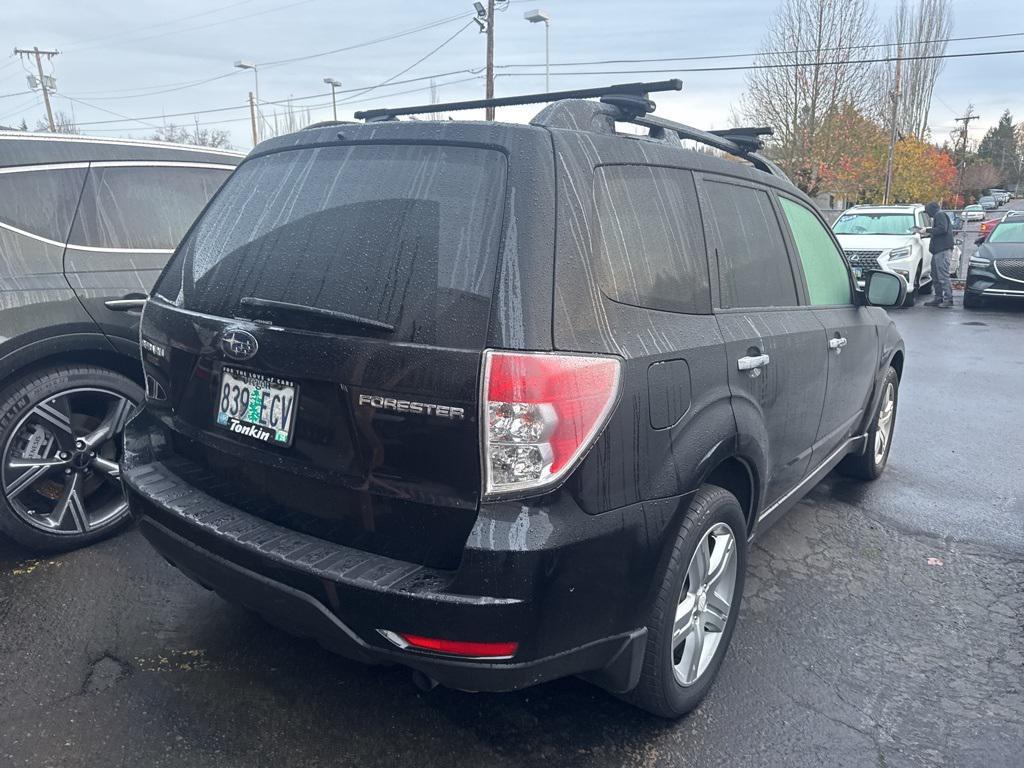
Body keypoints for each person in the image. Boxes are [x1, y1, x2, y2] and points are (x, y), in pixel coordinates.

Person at [923, 202, 954, 307]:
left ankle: (948, 299)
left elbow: (942, 229)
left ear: (931, 210)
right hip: (938, 251)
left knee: (942, 276)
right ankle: (938, 297)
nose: (928, 214)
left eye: (927, 212)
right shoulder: (940, 215)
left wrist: (927, 230)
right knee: (935, 275)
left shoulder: (939, 215)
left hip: (942, 250)